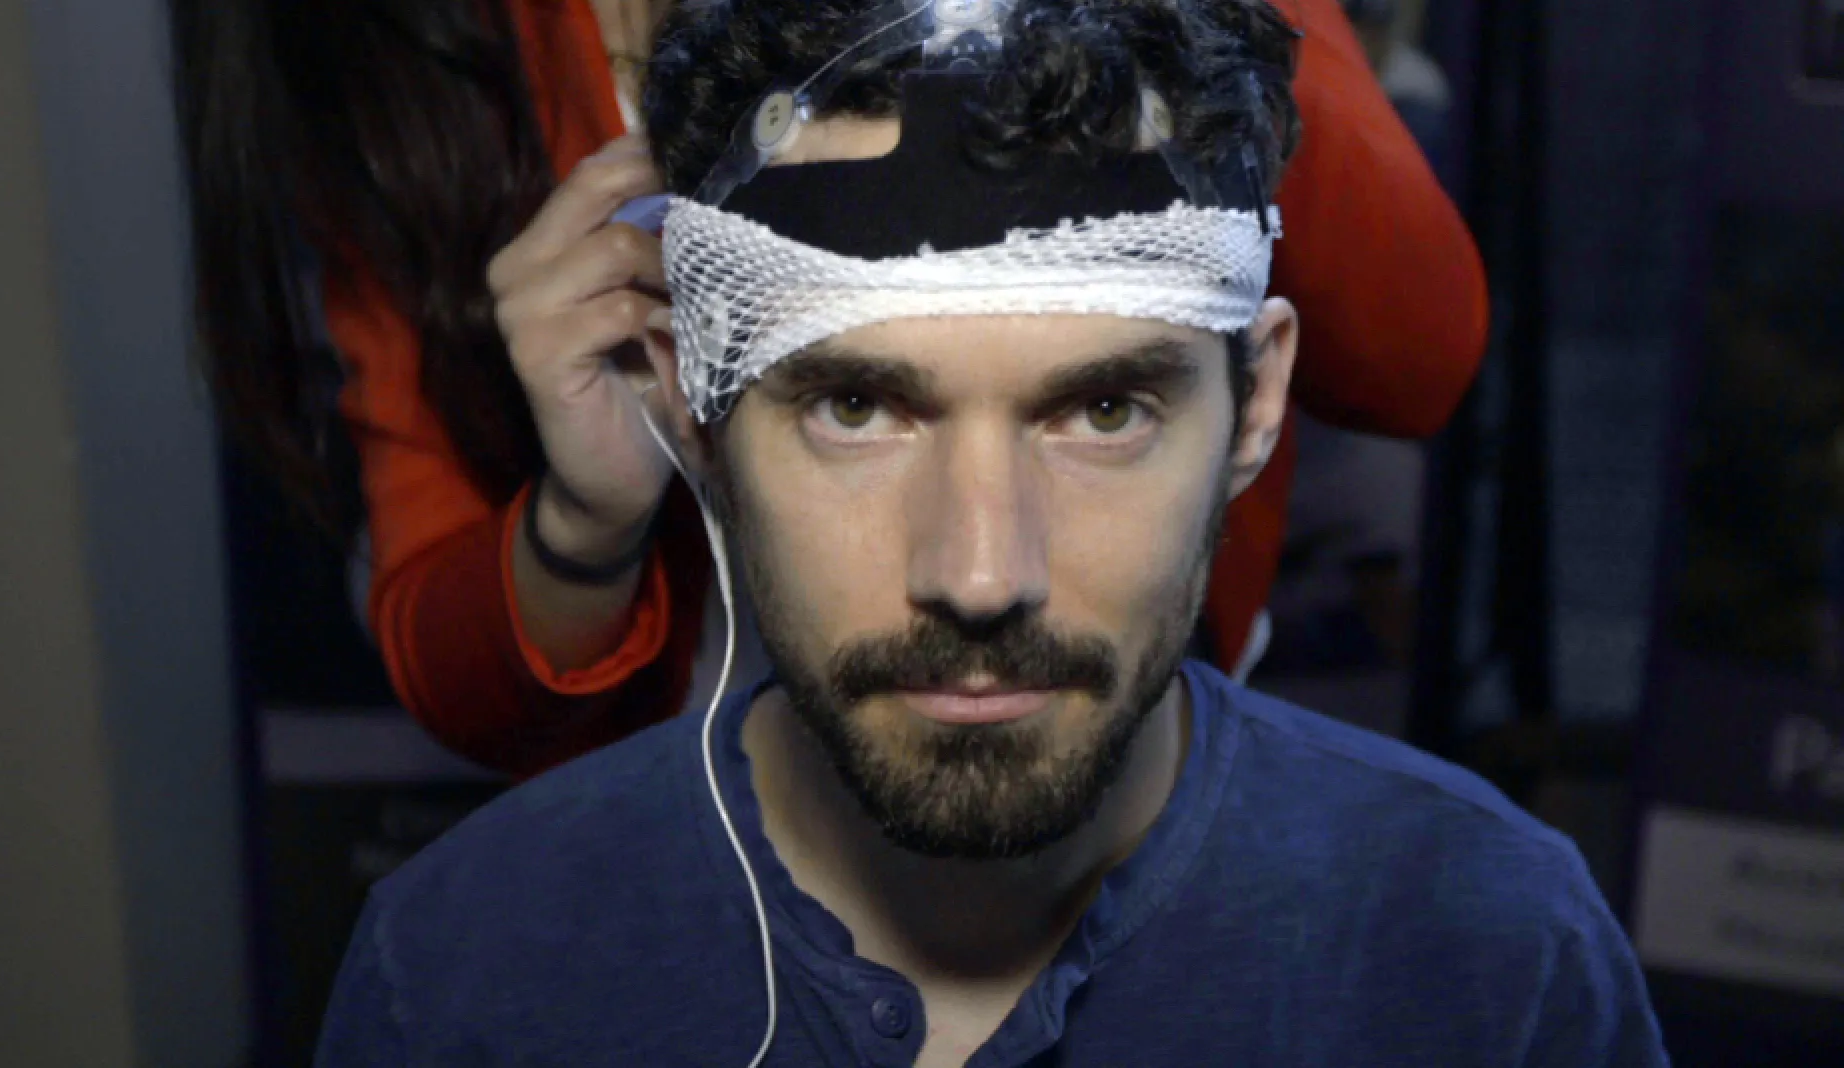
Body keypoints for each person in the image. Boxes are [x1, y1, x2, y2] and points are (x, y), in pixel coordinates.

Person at [315, 3, 1664, 1064]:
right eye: (855, 405)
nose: (977, 576)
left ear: (1256, 404)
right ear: (693, 410)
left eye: (1105, 410)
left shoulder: (1486, 960)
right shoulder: (462, 979)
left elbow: (1426, 337)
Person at [174, 0, 1487, 780]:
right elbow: (463, 665)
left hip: (1138, 764)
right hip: (714, 833)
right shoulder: (416, 67)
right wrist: (583, 524)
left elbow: (1418, 350)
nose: (976, 563)